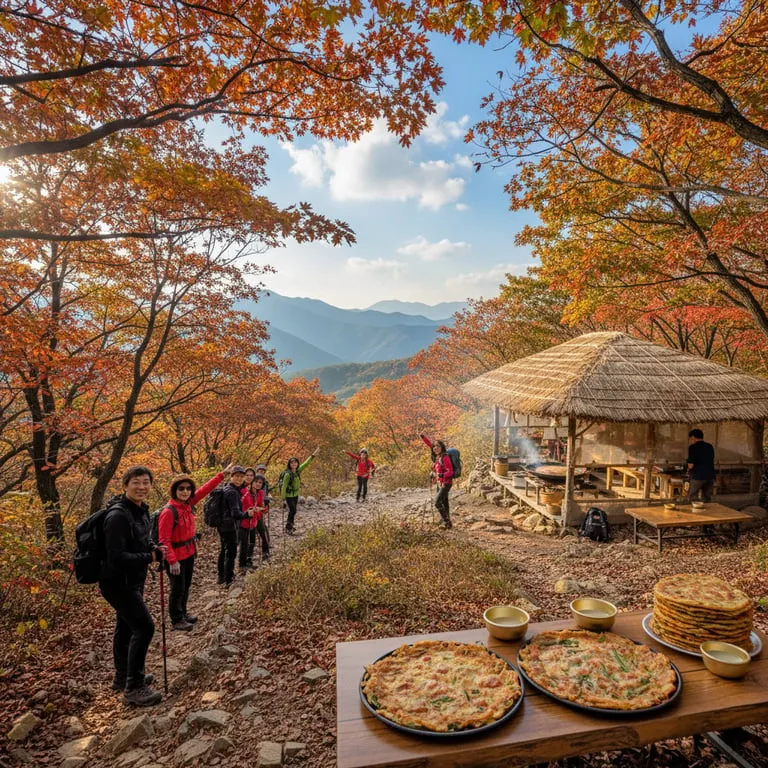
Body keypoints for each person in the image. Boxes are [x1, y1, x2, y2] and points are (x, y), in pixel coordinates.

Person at [99, 465, 166, 707]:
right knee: (145, 627)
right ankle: (134, 686)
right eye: (136, 482)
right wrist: (150, 558)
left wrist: (152, 549)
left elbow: (142, 541)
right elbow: (116, 556)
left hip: (133, 580)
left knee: (126, 626)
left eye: (146, 482)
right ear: (125, 485)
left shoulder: (140, 510)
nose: (142, 487)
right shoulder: (118, 516)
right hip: (117, 582)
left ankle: (122, 676)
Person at [158, 463, 236, 631]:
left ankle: (183, 613)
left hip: (188, 553)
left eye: (188, 488)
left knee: (186, 586)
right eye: (181, 489)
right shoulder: (169, 512)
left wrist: (221, 475)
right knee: (177, 588)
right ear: (174, 490)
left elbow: (204, 490)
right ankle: (176, 619)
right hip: (175, 557)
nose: (185, 491)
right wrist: (172, 561)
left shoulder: (188, 504)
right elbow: (163, 540)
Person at [218, 465, 252, 585]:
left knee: (224, 550)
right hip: (230, 526)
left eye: (241, 477)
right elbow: (236, 514)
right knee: (231, 552)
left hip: (222, 525)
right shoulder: (233, 493)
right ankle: (229, 578)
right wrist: (248, 514)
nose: (239, 479)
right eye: (236, 476)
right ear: (232, 476)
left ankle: (221, 576)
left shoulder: (227, 488)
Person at [280, 448, 319, 535]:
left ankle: (290, 526)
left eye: (295, 462)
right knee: (292, 511)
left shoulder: (298, 471)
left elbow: (306, 463)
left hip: (295, 495)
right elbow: (284, 487)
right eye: (292, 463)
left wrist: (313, 456)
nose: (294, 464)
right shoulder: (287, 474)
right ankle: (288, 527)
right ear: (289, 464)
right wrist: (283, 499)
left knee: (293, 511)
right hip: (288, 495)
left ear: (297, 464)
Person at [420, 433, 454, 528]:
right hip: (440, 483)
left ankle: (447, 522)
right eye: (434, 447)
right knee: (444, 502)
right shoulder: (437, 457)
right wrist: (423, 438)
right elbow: (430, 445)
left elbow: (450, 472)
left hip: (446, 483)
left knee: (437, 502)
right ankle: (444, 520)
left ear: (442, 448)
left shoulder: (445, 457)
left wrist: (441, 475)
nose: (435, 448)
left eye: (438, 446)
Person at [686, 428, 716, 503]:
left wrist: (688, 470)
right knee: (706, 499)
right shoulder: (710, 446)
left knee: (692, 498)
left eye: (691, 439)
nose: (691, 441)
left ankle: (694, 514)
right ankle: (708, 513)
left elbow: (690, 466)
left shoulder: (692, 447)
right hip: (710, 476)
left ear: (693, 438)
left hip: (698, 477)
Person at [238, 469, 256, 572]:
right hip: (242, 519)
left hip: (251, 519)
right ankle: (241, 565)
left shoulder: (252, 489)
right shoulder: (241, 489)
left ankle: (246, 562)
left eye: (251, 475)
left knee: (249, 542)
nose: (249, 477)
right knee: (244, 543)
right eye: (247, 475)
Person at [251, 474, 270, 561]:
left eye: (260, 483)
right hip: (249, 519)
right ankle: (248, 559)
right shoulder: (246, 492)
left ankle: (266, 553)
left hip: (258, 517)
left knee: (264, 535)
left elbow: (262, 507)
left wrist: (262, 509)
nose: (258, 484)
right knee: (251, 540)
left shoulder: (261, 492)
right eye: (256, 482)